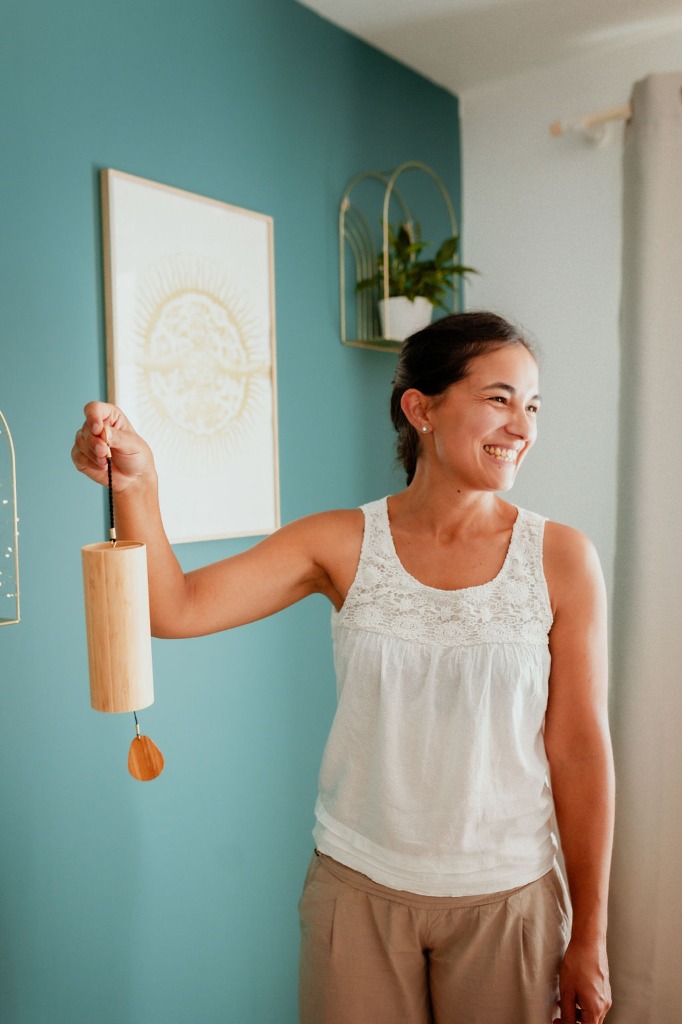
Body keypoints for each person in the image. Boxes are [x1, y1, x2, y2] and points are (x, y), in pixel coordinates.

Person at [72, 311, 614, 1024]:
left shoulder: (563, 559)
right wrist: (137, 484)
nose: (523, 426)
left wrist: (591, 937)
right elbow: (174, 609)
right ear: (420, 408)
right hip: (355, 895)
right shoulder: (342, 541)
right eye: (499, 399)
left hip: (508, 901)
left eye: (532, 405)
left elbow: (578, 750)